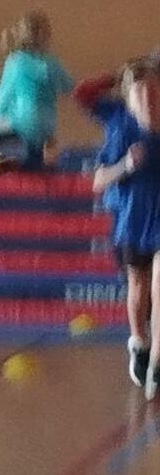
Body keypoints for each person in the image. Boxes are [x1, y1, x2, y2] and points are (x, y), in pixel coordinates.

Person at [77, 58, 160, 393]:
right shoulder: (122, 126)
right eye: (141, 92)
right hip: (133, 218)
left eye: (154, 91)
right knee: (138, 284)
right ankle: (139, 343)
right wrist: (126, 164)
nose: (149, 99)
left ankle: (157, 358)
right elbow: (99, 180)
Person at [0, 11, 73, 179]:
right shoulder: (52, 62)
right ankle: (23, 158)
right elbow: (69, 87)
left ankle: (7, 155)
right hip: (46, 129)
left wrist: (0, 124)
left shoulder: (16, 61)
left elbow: (2, 99)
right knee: (30, 152)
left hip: (21, 125)